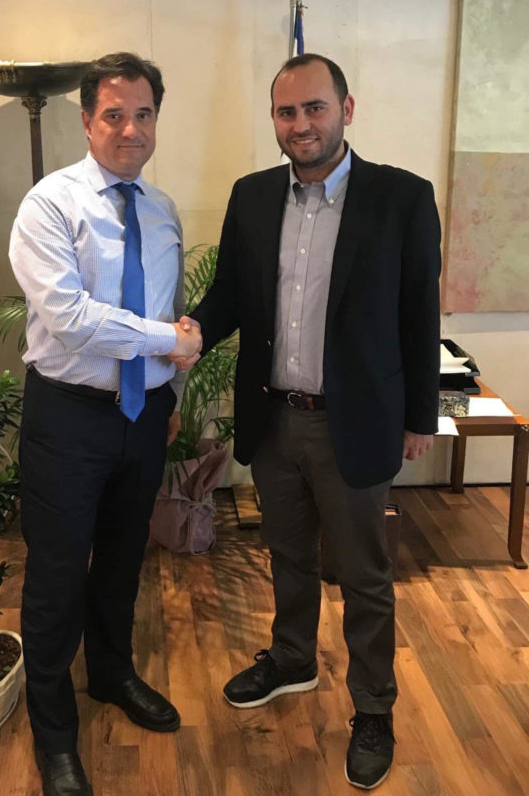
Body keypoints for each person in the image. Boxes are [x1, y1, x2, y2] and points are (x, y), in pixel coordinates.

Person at [176, 53, 441, 790]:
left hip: (355, 422)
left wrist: (420, 416)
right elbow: (231, 294)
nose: (301, 124)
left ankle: (374, 708)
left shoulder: (401, 197)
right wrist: (189, 332)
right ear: (274, 119)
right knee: (287, 554)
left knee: (364, 576)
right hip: (274, 419)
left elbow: (419, 314)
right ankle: (292, 660)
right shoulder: (253, 195)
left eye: (315, 108)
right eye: (286, 112)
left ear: (346, 110)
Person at [9, 52, 202, 796]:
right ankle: (55, 732)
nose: (131, 129)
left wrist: (169, 395)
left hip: (141, 416)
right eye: (114, 115)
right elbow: (70, 318)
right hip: (68, 418)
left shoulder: (162, 209)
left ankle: (112, 675)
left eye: (143, 114)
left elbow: (171, 313)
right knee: (57, 576)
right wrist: (166, 344)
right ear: (87, 120)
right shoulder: (49, 205)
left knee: (124, 560)